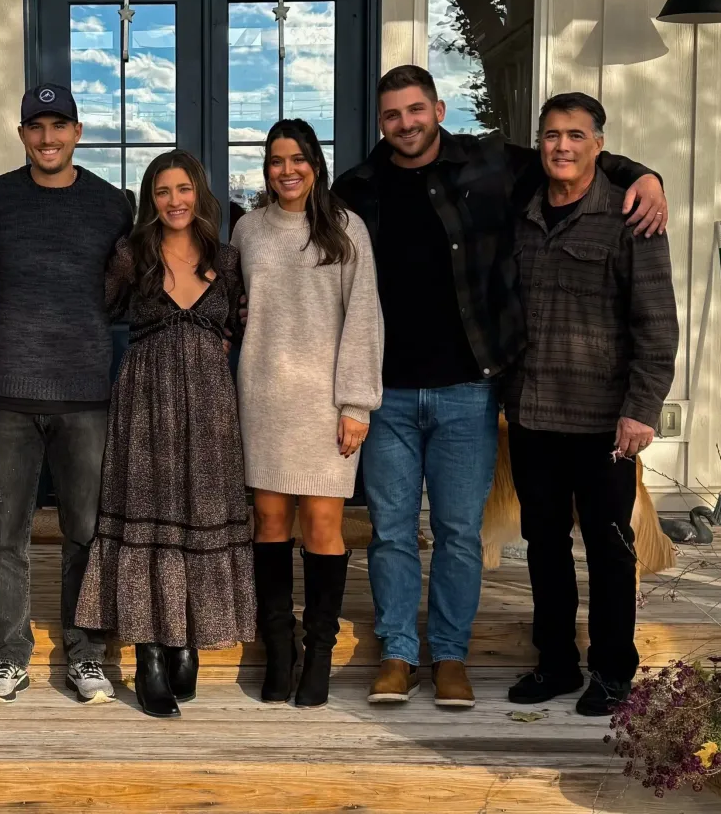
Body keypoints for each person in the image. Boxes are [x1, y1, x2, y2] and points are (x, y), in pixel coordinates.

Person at [330, 64, 669, 709]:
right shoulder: (358, 188)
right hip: (389, 395)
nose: (406, 124)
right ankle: (400, 654)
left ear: (438, 107)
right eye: (392, 115)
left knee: (460, 532)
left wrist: (641, 174)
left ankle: (452, 656)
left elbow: (571, 156)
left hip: (468, 391)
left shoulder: (491, 164)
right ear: (381, 122)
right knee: (395, 532)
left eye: (416, 110)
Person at [503, 92, 676, 716]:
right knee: (542, 545)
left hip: (605, 419)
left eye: (577, 135)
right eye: (552, 135)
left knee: (608, 547)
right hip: (532, 414)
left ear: (600, 144)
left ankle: (611, 669)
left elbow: (656, 324)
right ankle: (554, 662)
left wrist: (642, 408)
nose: (563, 147)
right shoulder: (520, 212)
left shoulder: (631, 217)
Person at [75, 150, 254, 718]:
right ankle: (149, 652)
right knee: (147, 519)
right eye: (161, 191)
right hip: (145, 404)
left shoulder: (227, 260)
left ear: (200, 195)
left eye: (183, 190)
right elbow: (90, 310)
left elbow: (248, 326)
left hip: (208, 408)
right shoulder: (132, 255)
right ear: (149, 200)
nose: (174, 201)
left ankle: (187, 638)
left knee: (198, 516)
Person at [0, 83, 133, 705]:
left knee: (85, 532)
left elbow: (122, 290)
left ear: (77, 131)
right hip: (7, 391)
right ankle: (9, 655)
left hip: (83, 392)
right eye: (36, 127)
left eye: (59, 126)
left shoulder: (109, 204)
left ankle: (85, 654)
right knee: (5, 532)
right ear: (22, 136)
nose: (48, 137)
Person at [232, 118, 383, 709]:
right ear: (266, 169)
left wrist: (355, 404)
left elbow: (364, 320)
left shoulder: (346, 230)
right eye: (275, 160)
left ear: (315, 164)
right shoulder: (247, 231)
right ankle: (279, 647)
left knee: (322, 527)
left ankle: (319, 649)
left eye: (297, 159)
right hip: (263, 399)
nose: (286, 170)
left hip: (326, 404)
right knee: (268, 523)